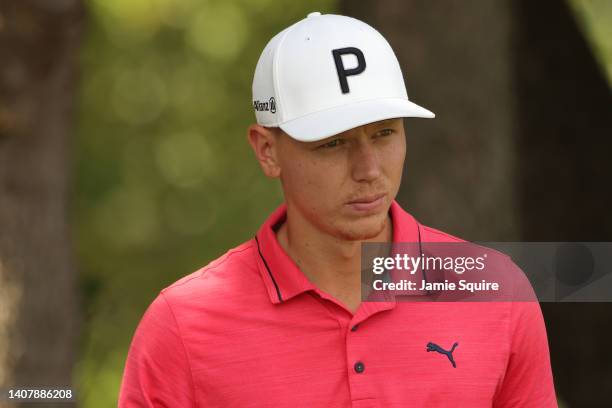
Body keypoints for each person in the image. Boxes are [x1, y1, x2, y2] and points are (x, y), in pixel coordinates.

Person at [118, 12, 557, 407]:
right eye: (332, 142)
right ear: (267, 151)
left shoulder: (498, 293)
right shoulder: (183, 326)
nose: (368, 169)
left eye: (384, 134)